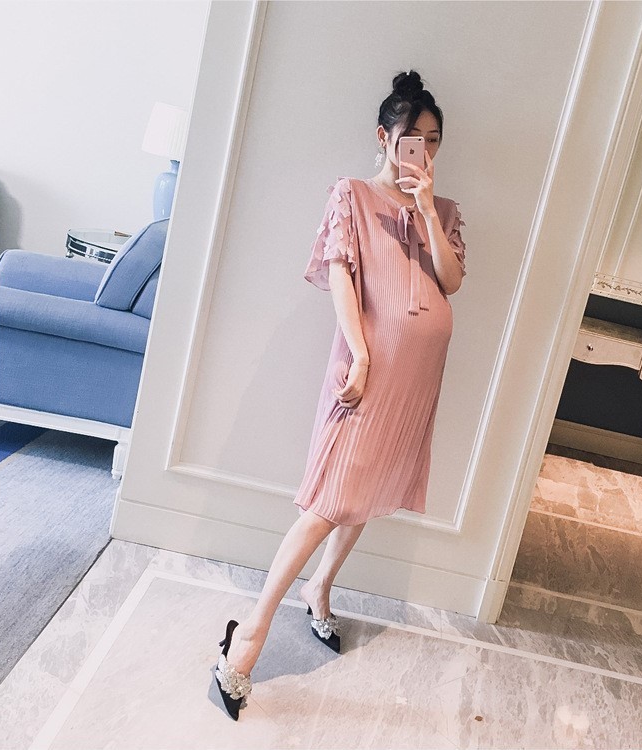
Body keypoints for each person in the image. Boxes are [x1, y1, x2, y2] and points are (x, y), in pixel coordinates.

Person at [213, 69, 467, 720]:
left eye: (434, 141)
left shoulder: (443, 211)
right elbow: (341, 277)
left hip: (417, 380)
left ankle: (319, 587)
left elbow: (451, 281)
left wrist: (425, 209)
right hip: (368, 372)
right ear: (384, 137)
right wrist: (361, 353)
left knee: (365, 494)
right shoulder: (350, 195)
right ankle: (249, 638)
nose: (424, 151)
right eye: (413, 138)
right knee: (329, 502)